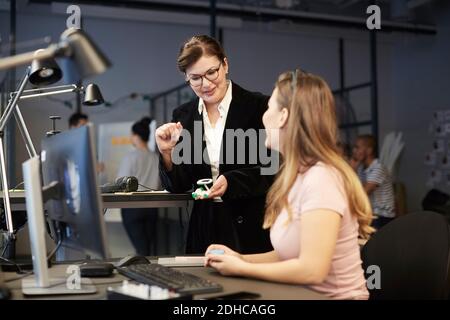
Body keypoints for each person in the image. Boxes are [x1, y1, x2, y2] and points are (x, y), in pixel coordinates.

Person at [204, 70, 374, 300]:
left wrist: (243, 269)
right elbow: (288, 254)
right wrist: (239, 258)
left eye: (270, 108)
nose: (264, 116)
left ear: (283, 116)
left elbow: (312, 270)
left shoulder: (321, 179)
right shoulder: (297, 177)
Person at [156, 35, 274, 254]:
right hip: (204, 227)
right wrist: (167, 153)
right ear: (186, 78)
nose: (206, 84)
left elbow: (274, 170)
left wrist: (232, 181)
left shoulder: (260, 106)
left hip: (250, 225)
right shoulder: (184, 115)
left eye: (212, 72)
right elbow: (179, 185)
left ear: (225, 65)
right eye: (196, 78)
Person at [118, 117, 161, 256]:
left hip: (133, 208)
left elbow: (121, 183)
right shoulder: (156, 157)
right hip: (152, 207)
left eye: (131, 135)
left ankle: (143, 273)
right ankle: (149, 273)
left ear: (136, 136)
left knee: (141, 250)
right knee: (147, 248)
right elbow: (161, 183)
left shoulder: (130, 157)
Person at [351, 134, 396, 230]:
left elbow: (362, 193)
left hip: (383, 216)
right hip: (371, 213)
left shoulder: (378, 168)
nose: (354, 151)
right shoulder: (361, 168)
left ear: (369, 150)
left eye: (357, 147)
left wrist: (352, 171)